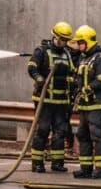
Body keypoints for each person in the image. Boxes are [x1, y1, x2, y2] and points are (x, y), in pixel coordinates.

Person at [26, 22, 75, 173]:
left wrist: (72, 82)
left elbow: (72, 71)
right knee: (42, 130)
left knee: (60, 132)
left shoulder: (66, 53)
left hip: (61, 102)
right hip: (45, 101)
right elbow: (31, 67)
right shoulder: (41, 51)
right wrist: (39, 78)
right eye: (61, 39)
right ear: (54, 36)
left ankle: (57, 163)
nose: (64, 43)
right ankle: (37, 163)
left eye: (66, 40)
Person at [72, 25, 101, 179]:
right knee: (83, 134)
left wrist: (89, 88)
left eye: (80, 42)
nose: (79, 45)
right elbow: (78, 78)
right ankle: (86, 168)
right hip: (85, 104)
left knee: (97, 135)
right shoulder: (84, 58)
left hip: (98, 103)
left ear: (88, 41)